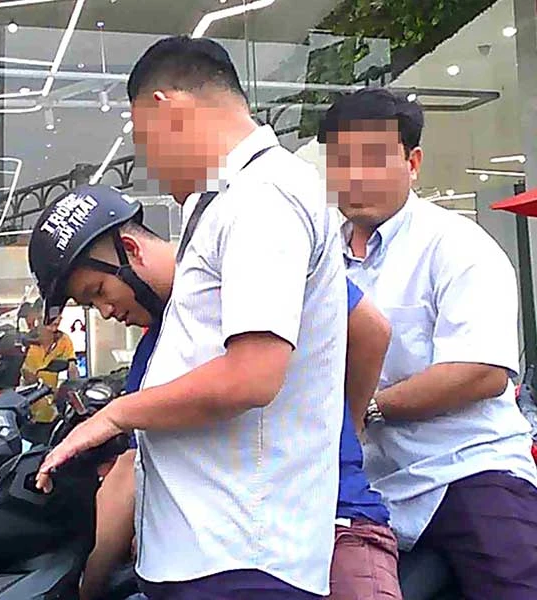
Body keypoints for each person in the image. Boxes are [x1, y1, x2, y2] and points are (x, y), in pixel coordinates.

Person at [30, 35, 350, 600]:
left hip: (241, 559)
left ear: (168, 108)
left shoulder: (263, 196)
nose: (149, 166)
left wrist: (116, 416)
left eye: (143, 141)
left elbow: (253, 375)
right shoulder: (234, 200)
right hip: (212, 554)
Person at [29, 186, 400, 600]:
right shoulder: (150, 359)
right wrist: (87, 584)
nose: (105, 312)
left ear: (130, 250)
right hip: (240, 557)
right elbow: (129, 474)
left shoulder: (239, 260)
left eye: (98, 292)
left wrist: (341, 430)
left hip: (337, 525)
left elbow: (370, 331)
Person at [318, 87, 537, 600]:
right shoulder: (319, 256)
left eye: (374, 158)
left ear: (412, 162)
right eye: (342, 160)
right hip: (366, 488)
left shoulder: (457, 245)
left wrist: (365, 409)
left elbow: (482, 372)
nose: (356, 175)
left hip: (465, 470)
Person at [22, 314, 80, 422]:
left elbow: (72, 368)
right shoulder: (26, 341)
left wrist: (75, 387)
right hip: (25, 403)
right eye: (52, 315)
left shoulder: (63, 340)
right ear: (40, 318)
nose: (57, 320)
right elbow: (23, 373)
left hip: (50, 405)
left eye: (59, 316)